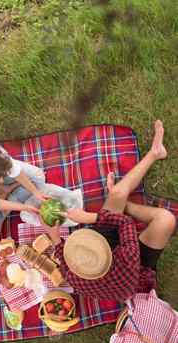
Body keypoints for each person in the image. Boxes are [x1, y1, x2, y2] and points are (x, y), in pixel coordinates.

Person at [42, 120, 177, 302]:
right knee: (167, 219)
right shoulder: (129, 257)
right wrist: (90, 217)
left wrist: (55, 237)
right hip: (135, 265)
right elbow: (125, 223)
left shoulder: (75, 277)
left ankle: (155, 153)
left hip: (108, 257)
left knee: (119, 192)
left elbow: (63, 261)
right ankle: (125, 203)